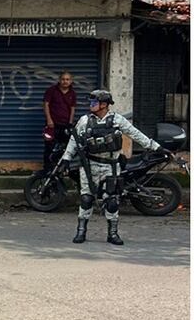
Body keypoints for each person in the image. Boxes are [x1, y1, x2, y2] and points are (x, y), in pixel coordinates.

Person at [58, 89, 163, 246]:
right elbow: (74, 141)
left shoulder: (117, 120)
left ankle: (112, 233)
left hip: (111, 167)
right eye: (91, 102)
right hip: (89, 166)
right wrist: (66, 158)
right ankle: (81, 231)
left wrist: (156, 147)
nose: (91, 105)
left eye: (94, 102)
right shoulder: (84, 121)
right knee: (86, 199)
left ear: (104, 105)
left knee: (112, 201)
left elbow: (136, 134)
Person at [43, 71, 77, 168]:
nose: (65, 81)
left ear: (71, 81)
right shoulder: (51, 90)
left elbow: (72, 108)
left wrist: (70, 123)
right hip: (51, 125)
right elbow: (46, 105)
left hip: (65, 125)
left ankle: (60, 169)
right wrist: (49, 120)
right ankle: (47, 170)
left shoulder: (72, 93)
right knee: (49, 147)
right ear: (59, 80)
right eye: (63, 79)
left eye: (67, 79)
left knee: (64, 148)